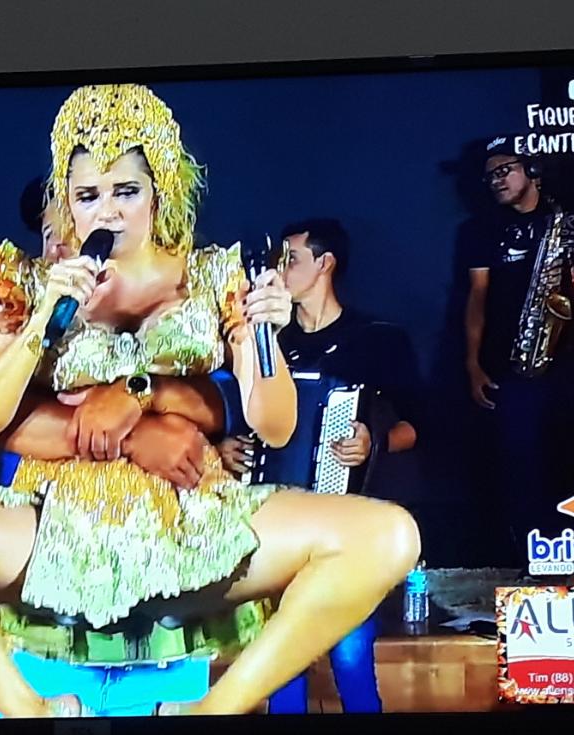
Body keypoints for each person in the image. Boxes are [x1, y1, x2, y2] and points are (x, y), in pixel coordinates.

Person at [0, 84, 421, 717]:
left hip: (195, 522)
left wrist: (262, 334)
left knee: (388, 536)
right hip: (53, 521)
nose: (108, 213)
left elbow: (276, 426)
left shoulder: (213, 276)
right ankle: (30, 711)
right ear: (67, 203)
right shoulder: (36, 284)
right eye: (87, 196)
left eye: (126, 191)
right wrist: (43, 320)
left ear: (159, 192)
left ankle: (213, 713)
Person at [217, 219, 421, 714]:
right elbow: (232, 416)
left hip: (345, 527)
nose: (279, 270)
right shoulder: (263, 340)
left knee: (351, 656)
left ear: (325, 264)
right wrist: (225, 449)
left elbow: (417, 427)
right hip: (275, 527)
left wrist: (372, 442)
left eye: (291, 260)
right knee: (281, 669)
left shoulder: (376, 339)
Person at [463, 136, 574, 567]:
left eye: (505, 170)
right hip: (512, 365)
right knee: (520, 470)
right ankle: (530, 560)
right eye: (489, 176)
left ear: (532, 170)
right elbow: (477, 297)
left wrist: (571, 280)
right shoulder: (481, 228)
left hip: (570, 363)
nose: (496, 181)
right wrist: (472, 363)